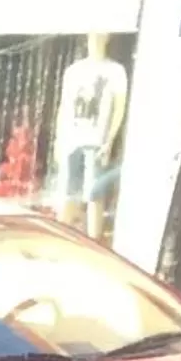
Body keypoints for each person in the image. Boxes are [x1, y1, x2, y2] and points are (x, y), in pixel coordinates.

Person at [55, 33, 128, 240]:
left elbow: (119, 109)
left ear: (107, 38)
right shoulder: (73, 71)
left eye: (101, 35)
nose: (96, 39)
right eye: (93, 35)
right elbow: (64, 105)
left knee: (94, 193)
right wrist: (58, 140)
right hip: (72, 139)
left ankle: (93, 241)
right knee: (69, 191)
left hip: (96, 141)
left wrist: (109, 140)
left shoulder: (115, 71)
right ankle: (62, 237)